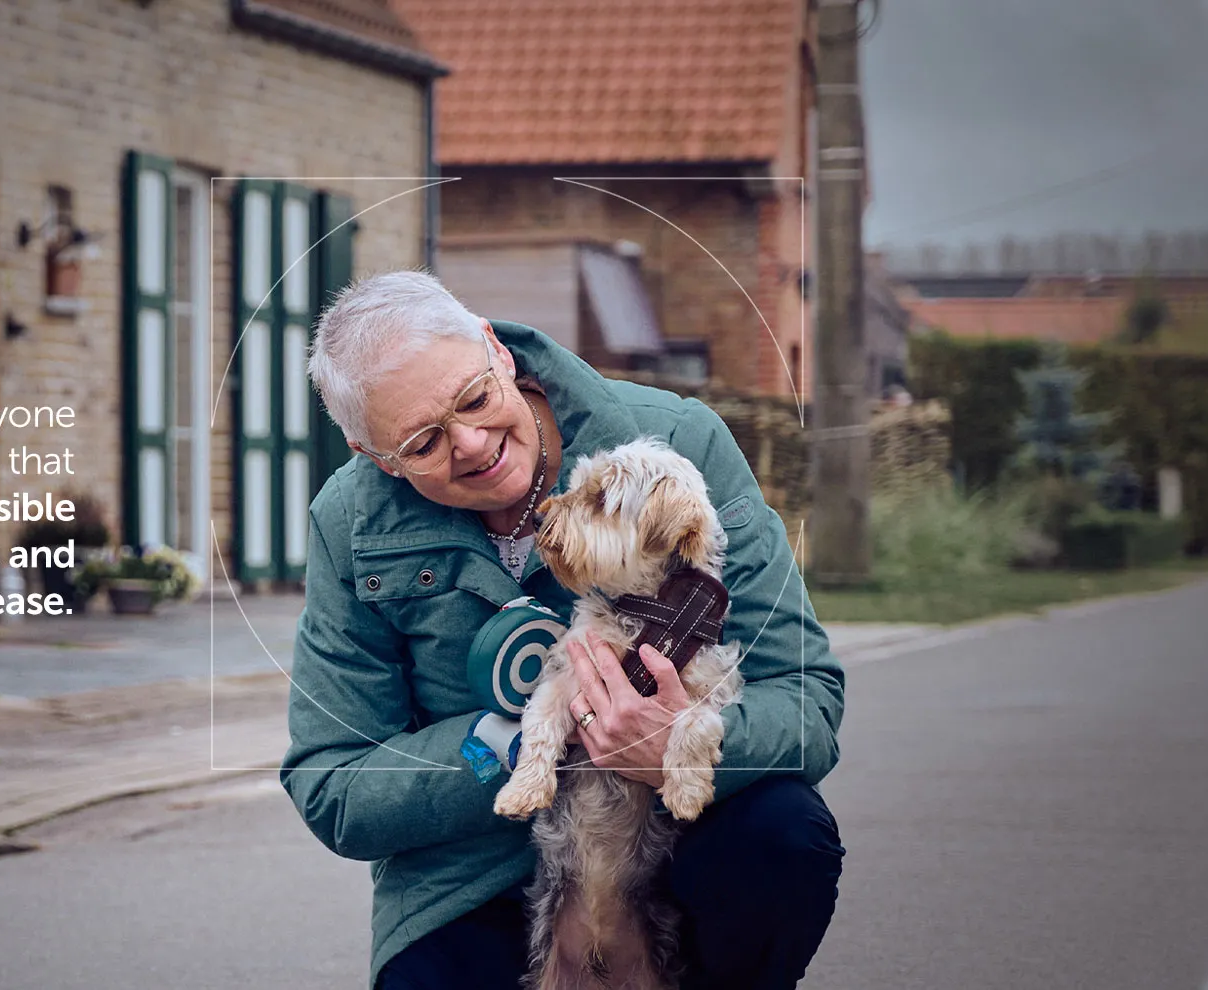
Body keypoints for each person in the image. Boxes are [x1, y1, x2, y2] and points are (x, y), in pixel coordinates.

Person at [280, 271, 846, 990]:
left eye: (476, 399)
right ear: (373, 456)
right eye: (424, 443)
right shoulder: (349, 523)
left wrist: (671, 740)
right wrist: (517, 740)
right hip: (470, 879)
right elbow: (333, 784)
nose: (473, 444)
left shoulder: (676, 446)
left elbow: (809, 702)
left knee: (783, 836)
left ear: (495, 349)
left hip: (677, 850)